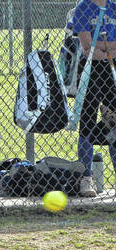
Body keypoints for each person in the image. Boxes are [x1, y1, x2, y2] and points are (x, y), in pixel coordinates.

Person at [72, 0, 116, 197]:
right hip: (90, 71)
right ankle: (86, 178)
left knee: (113, 121)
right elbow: (88, 48)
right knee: (87, 121)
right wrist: (105, 47)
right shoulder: (82, 8)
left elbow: (99, 45)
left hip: (112, 70)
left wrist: (101, 45)